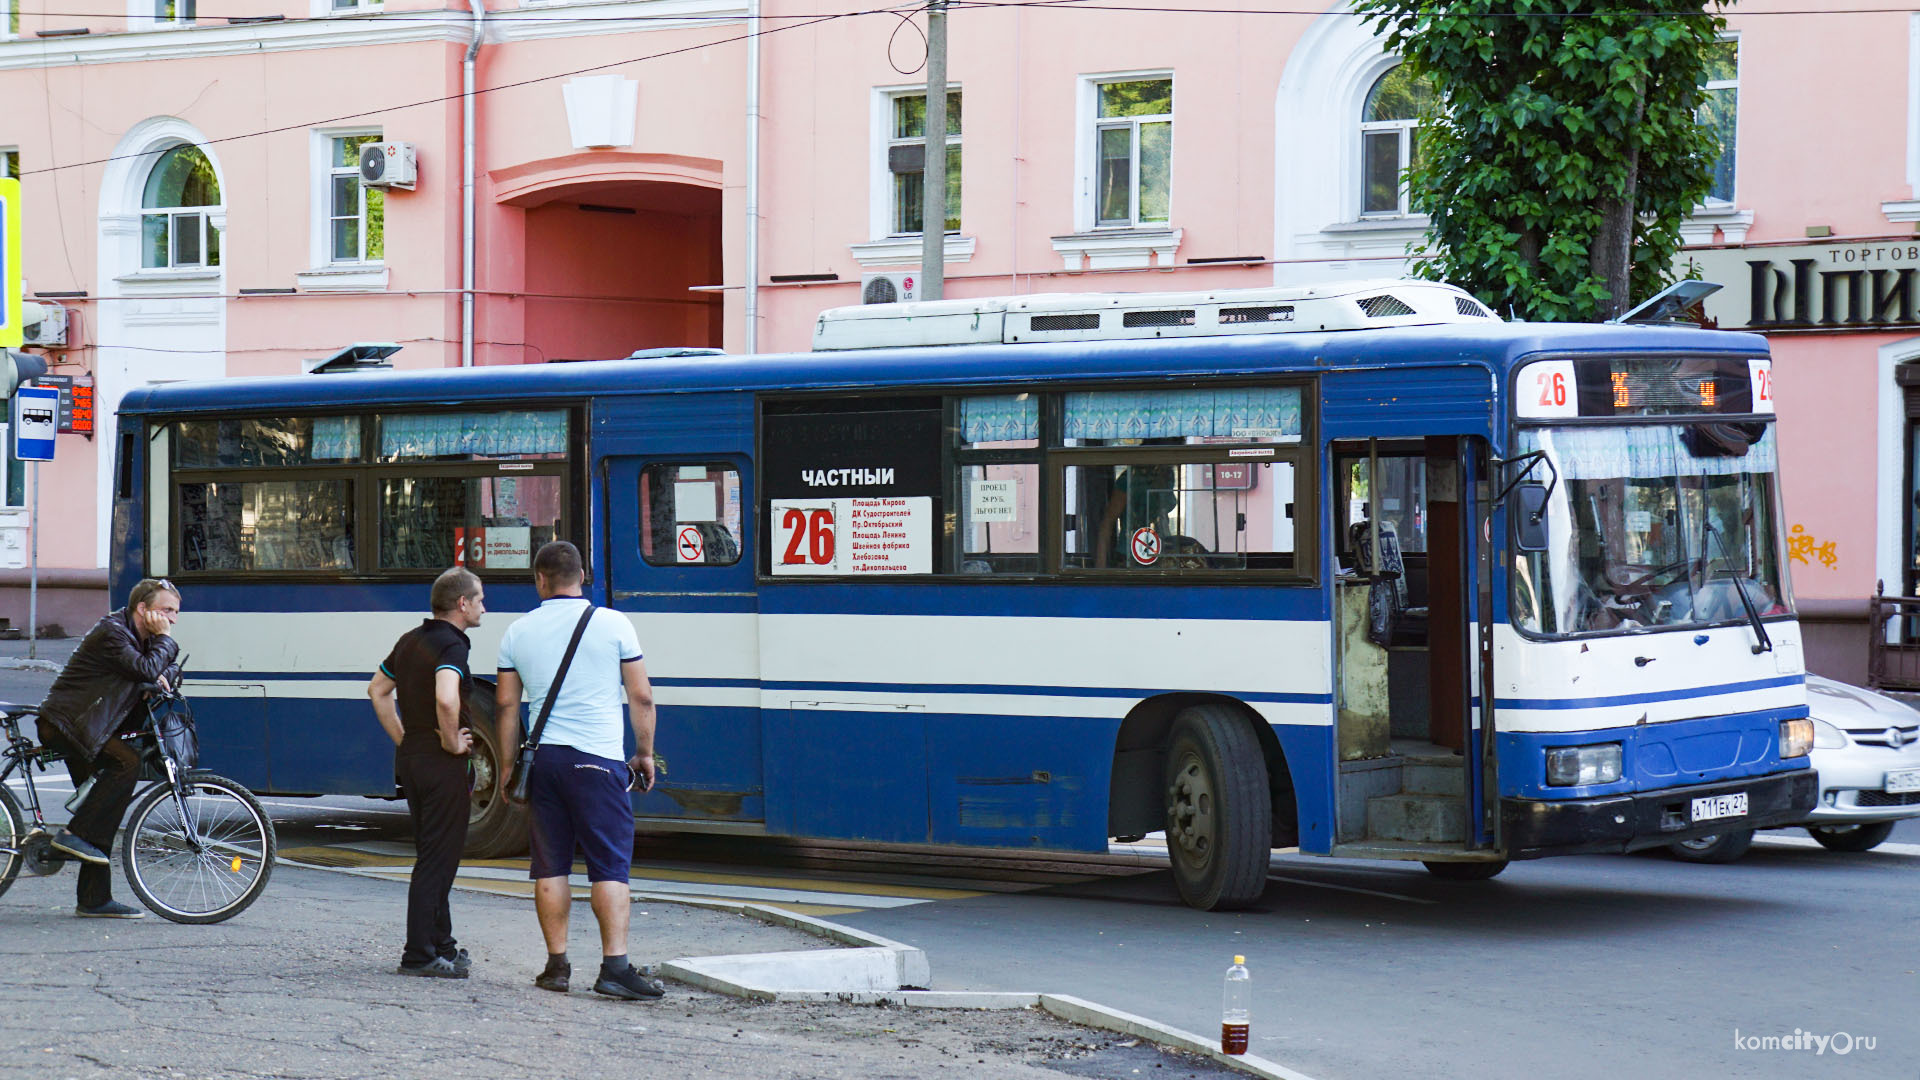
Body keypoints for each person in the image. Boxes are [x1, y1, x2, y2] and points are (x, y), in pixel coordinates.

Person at [494, 540, 662, 1000]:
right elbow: (641, 696)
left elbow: (507, 706)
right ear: (582, 576)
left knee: (550, 867)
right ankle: (615, 968)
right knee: (609, 867)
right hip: (598, 762)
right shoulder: (613, 624)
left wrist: (510, 767)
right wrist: (644, 753)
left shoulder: (517, 632)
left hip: (544, 762)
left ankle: (556, 967)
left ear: (539, 579)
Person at [36, 578, 182, 918]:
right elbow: (147, 667)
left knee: (104, 803)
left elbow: (168, 668)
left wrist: (164, 674)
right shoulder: (113, 632)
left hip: (94, 728)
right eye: (166, 610)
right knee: (126, 764)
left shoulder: (144, 636)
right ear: (142, 609)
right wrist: (162, 649)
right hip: (66, 724)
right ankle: (72, 835)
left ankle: (94, 899)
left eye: (175, 613)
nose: (171, 619)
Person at [368, 567, 485, 978]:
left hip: (413, 759)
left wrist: (405, 739)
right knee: (437, 861)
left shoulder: (410, 640)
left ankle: (443, 945)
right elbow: (447, 698)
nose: (483, 607)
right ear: (462, 604)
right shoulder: (452, 646)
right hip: (441, 764)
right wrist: (452, 742)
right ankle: (419, 954)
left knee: (434, 854)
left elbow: (377, 691)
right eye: (480, 599)